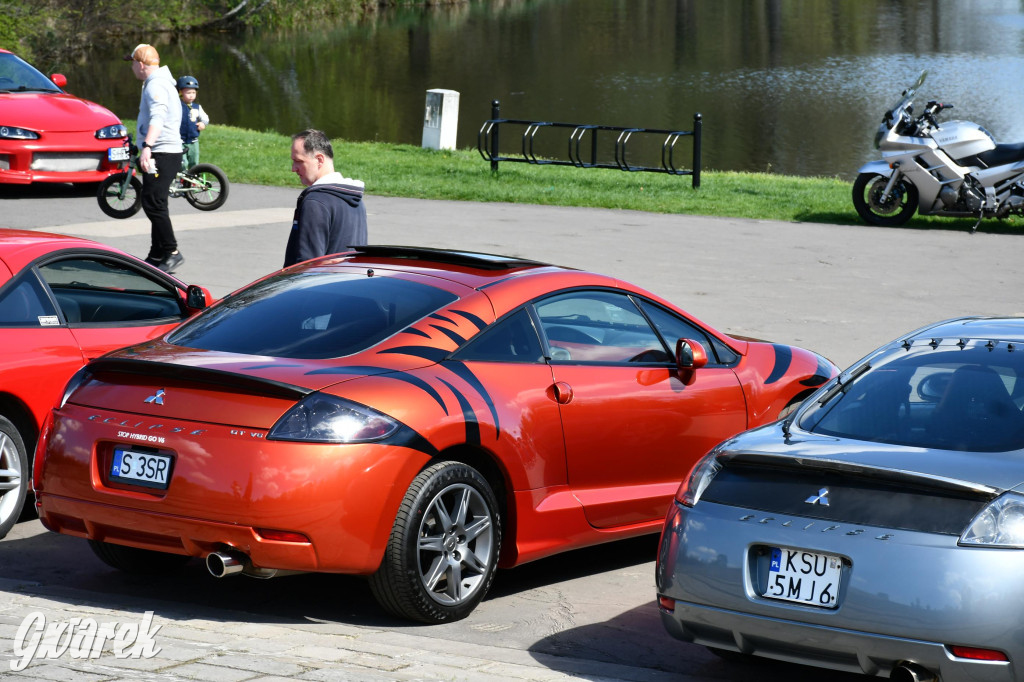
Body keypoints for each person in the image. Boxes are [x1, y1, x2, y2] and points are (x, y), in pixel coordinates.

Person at [124, 43, 184, 273]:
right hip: (162, 150)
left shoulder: (155, 85)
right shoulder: (159, 82)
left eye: (131, 63)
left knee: (153, 201)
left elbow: (158, 117)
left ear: (140, 64)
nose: (131, 69)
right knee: (154, 200)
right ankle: (156, 253)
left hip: (162, 151)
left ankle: (171, 251)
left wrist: (147, 146)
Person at [284, 129, 368, 268]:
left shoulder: (315, 202)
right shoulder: (356, 200)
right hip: (347, 286)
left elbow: (308, 266)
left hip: (318, 288)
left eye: (298, 161)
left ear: (319, 160)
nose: (294, 168)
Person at [176, 75, 209, 170]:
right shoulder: (177, 106)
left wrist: (203, 124)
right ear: (180, 93)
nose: (191, 95)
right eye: (188, 93)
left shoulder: (197, 107)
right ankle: (184, 179)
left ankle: (193, 179)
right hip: (180, 141)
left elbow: (205, 118)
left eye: (194, 93)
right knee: (183, 162)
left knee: (194, 162)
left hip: (194, 141)